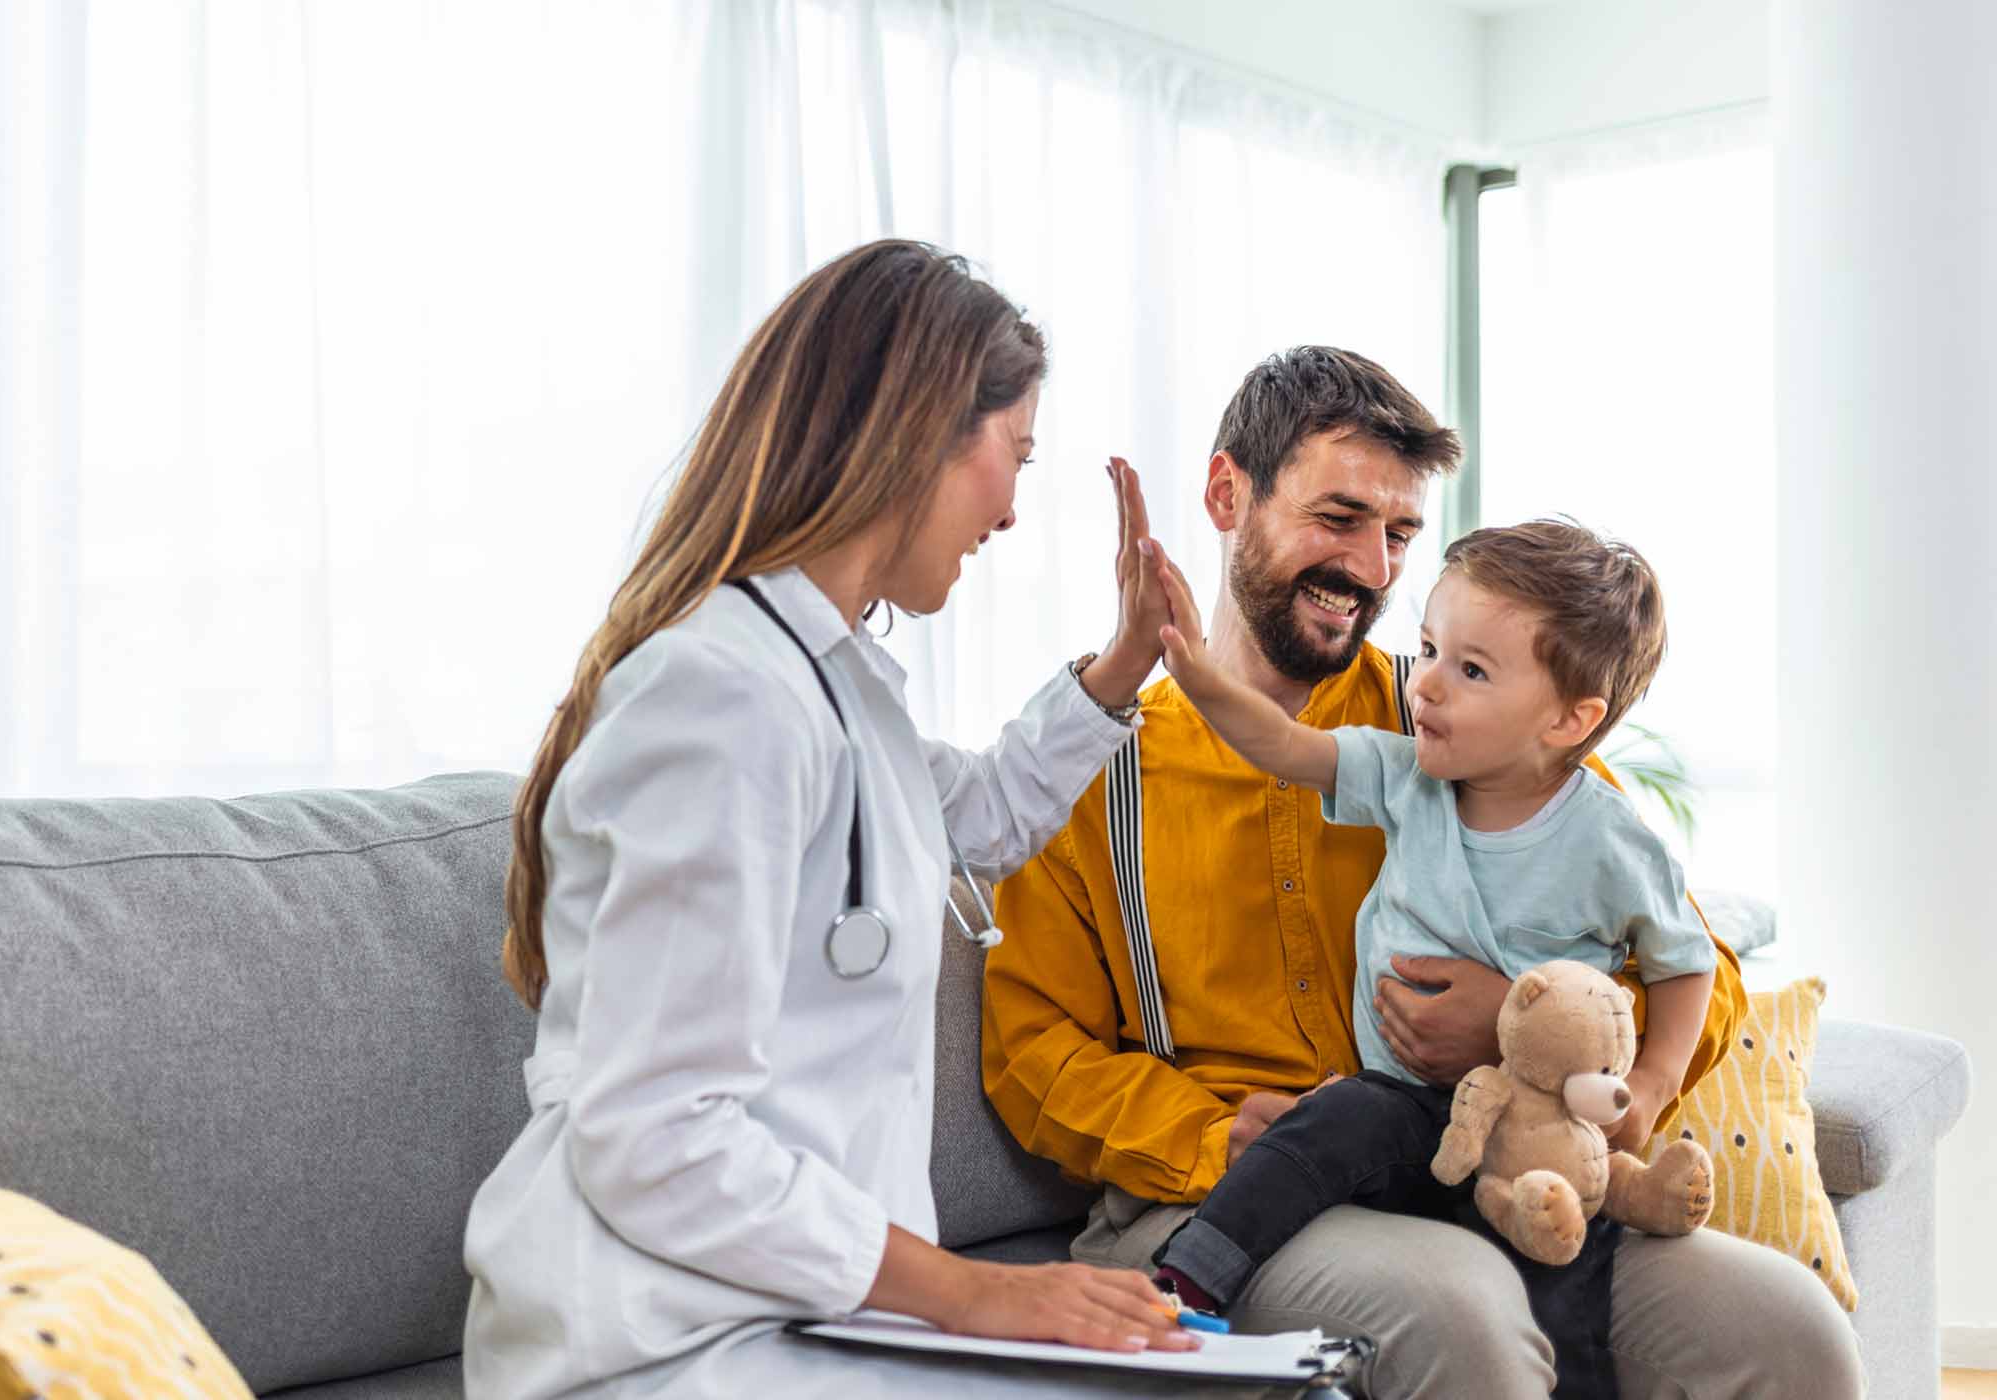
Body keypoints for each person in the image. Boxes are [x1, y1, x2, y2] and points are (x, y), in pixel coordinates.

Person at [982, 346, 1863, 1398]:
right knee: (1460, 1311)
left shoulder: (1473, 717)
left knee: (1789, 1330)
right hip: (1227, 1202)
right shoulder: (1093, 764)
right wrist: (1212, 1135)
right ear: (1227, 494)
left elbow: (1695, 970)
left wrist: (1523, 1024)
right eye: (1339, 516)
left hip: (1490, 1166)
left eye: (1398, 533)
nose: (1372, 566)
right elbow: (1032, 1050)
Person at [462, 239, 1203, 1398]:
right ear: (919, 431)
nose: (1012, 509)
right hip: (663, 1342)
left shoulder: (825, 681)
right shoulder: (723, 693)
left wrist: (1123, 666)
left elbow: (976, 816)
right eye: (1014, 455)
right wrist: (976, 1292)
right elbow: (654, 1132)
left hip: (800, 1323)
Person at [1139, 518, 1720, 1398]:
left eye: (1472, 670)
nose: (1428, 685)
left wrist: (1649, 1085)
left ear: (1570, 718)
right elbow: (1283, 745)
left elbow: (1686, 961)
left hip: (1540, 1134)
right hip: (1407, 1107)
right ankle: (1188, 1280)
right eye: (1430, 649)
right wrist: (1196, 676)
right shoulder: (1407, 777)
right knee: (1326, 1126)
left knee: (1563, 1297)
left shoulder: (1608, 840)